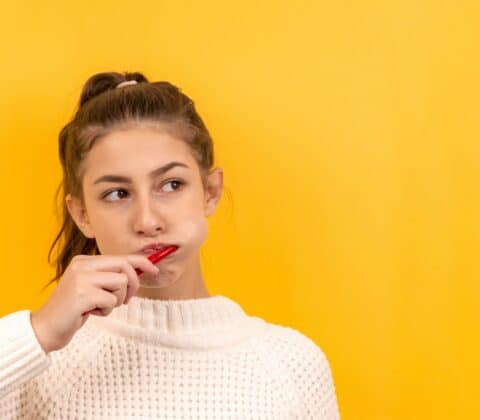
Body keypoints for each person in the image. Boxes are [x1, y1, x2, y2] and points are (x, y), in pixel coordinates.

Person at [0, 71, 340, 419]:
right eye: (117, 194)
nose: (148, 221)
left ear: (210, 191)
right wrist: (37, 334)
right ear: (82, 214)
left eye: (171, 184)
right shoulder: (37, 365)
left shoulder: (293, 366)